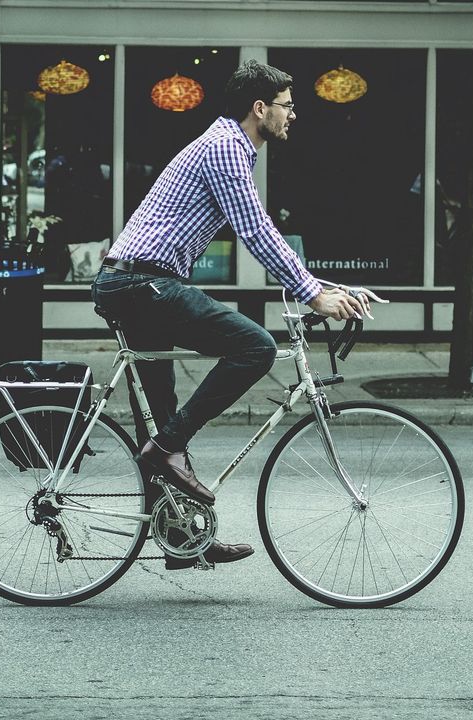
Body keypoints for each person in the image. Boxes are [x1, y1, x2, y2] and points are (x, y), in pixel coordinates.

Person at [90, 60, 369, 570]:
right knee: (255, 347)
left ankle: (180, 535)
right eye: (287, 105)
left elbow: (261, 232)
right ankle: (165, 453)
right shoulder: (225, 150)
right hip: (142, 283)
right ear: (259, 108)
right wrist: (312, 295)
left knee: (164, 413)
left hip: (139, 282)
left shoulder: (229, 146)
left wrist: (330, 288)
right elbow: (257, 231)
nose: (293, 114)